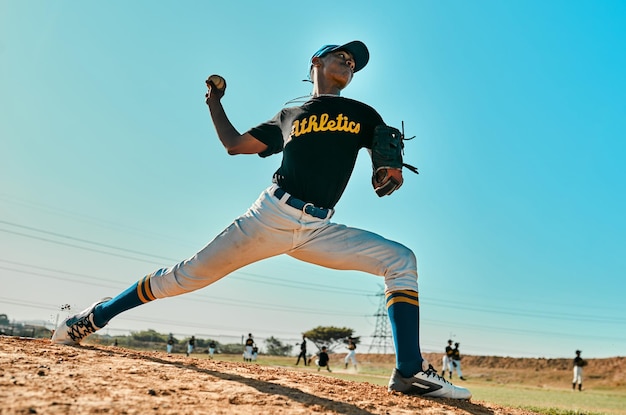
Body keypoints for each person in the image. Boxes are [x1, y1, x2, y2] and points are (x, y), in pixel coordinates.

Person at [50, 40, 471, 400]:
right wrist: (215, 103)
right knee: (183, 277)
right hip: (269, 216)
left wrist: (388, 169)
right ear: (316, 63)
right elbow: (234, 145)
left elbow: (384, 153)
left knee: (401, 260)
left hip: (317, 230)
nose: (349, 63)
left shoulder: (363, 114)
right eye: (340, 56)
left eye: (353, 62)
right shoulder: (290, 116)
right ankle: (90, 318)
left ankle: (409, 372)